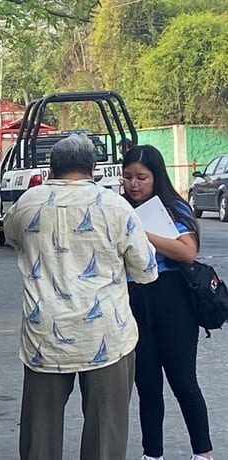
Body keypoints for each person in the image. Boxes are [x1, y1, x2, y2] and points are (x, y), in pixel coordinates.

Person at [4, 133, 159, 460]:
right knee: (106, 434)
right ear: (93, 167)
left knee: (39, 438)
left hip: (45, 335)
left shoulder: (26, 205)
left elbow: (12, 238)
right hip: (105, 335)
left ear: (51, 167)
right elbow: (146, 270)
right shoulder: (116, 207)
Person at [121, 145, 214, 460]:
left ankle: (202, 452)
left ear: (155, 177)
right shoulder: (117, 208)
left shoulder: (173, 207)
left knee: (183, 381)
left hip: (173, 300)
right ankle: (153, 454)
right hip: (134, 301)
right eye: (128, 176)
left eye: (142, 178)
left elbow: (187, 252)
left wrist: (142, 233)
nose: (134, 184)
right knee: (147, 384)